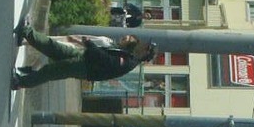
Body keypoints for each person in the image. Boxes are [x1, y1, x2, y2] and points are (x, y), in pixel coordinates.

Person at [11, 21, 156, 90]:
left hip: (85, 68)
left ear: (145, 53)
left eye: (146, 47)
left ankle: (20, 82)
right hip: (85, 56)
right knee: (54, 47)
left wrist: (90, 45)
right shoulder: (130, 55)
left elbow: (106, 60)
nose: (143, 44)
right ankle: (26, 32)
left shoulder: (129, 62)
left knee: (52, 71)